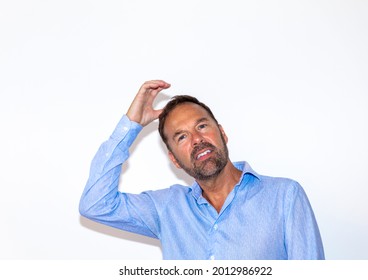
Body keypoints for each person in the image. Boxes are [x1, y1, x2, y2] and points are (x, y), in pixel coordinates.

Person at [79, 80, 325, 260]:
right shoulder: (166, 209)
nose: (197, 139)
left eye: (202, 126)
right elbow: (95, 204)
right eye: (182, 137)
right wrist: (131, 125)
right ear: (174, 160)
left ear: (222, 133)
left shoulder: (285, 197)